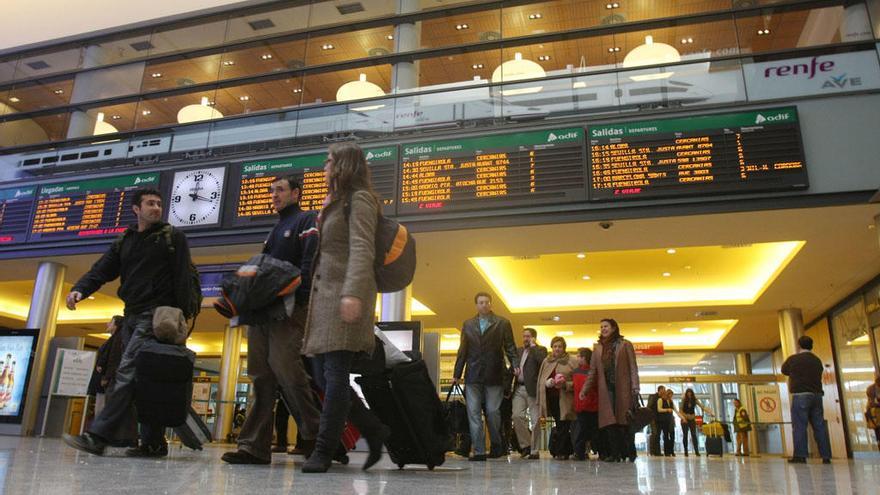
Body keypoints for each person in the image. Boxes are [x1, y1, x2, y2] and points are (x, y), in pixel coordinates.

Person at [62, 187, 197, 458]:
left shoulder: (173, 238)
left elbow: (184, 277)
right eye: (150, 203)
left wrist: (182, 316)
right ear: (136, 209)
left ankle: (98, 436)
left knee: (126, 373)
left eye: (159, 204)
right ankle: (153, 442)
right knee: (147, 378)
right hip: (132, 315)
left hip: (158, 316)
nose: (156, 208)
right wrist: (80, 289)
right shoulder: (125, 240)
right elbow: (102, 269)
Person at [299, 142, 390, 473]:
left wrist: (353, 294)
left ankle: (323, 450)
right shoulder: (335, 202)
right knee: (324, 377)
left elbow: (362, 249)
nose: (324, 168)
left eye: (328, 162)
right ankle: (374, 429)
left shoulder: (360, 200)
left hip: (345, 296)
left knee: (335, 375)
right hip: (326, 300)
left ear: (344, 166)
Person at [222, 174, 321, 465]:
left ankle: (319, 437)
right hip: (263, 312)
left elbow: (309, 261)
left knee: (287, 369)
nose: (274, 195)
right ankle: (253, 447)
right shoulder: (275, 230)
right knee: (260, 376)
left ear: (296, 193)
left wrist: (301, 299)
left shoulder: (307, 220)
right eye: (271, 191)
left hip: (290, 309)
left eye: (280, 190)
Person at [452, 292, 519, 461]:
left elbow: (510, 346)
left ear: (491, 304)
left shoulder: (502, 323)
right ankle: (480, 451)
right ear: (476, 305)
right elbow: (463, 351)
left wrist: (515, 364)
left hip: (494, 373)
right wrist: (456, 374)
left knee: (493, 412)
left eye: (487, 302)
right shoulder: (467, 325)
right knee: (473, 413)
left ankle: (497, 445)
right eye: (481, 302)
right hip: (473, 374)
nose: (484, 305)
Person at [580, 318, 640, 462]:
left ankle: (629, 452)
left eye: (606, 326)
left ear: (613, 328)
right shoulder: (597, 348)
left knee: (624, 421)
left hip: (623, 388)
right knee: (610, 423)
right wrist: (585, 390)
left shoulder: (625, 344)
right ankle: (615, 454)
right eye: (601, 327)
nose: (603, 329)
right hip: (606, 390)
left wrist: (635, 387)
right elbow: (593, 371)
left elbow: (633, 367)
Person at [781, 335, 832, 464]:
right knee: (819, 426)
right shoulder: (817, 360)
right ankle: (826, 456)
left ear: (799, 345)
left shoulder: (794, 359)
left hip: (801, 395)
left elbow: (784, 370)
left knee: (799, 426)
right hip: (817, 395)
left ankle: (800, 455)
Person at [511, 327, 547, 460]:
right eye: (524, 336)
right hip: (519, 389)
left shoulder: (540, 350)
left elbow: (543, 362)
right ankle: (525, 445)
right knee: (516, 416)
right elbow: (514, 365)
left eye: (528, 336)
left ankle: (534, 450)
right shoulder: (519, 351)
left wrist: (533, 347)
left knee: (536, 419)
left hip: (533, 389)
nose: (525, 339)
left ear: (533, 338)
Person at [537, 336, 575, 460]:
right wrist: (547, 383)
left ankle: (561, 451)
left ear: (564, 348)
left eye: (560, 346)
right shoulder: (546, 361)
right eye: (555, 346)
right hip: (552, 398)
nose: (557, 349)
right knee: (559, 424)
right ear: (551, 348)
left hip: (566, 398)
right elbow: (541, 380)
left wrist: (566, 384)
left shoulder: (571, 361)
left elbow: (578, 381)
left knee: (564, 423)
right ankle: (561, 451)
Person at [87, 315, 124, 416]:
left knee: (101, 411)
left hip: (106, 382)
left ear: (116, 326)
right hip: (104, 381)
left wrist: (106, 377)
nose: (107, 324)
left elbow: (113, 359)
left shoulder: (117, 340)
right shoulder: (113, 339)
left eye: (111, 322)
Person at [571, 347, 598, 461]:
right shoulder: (577, 371)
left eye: (580, 356)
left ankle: (581, 452)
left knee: (584, 430)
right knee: (585, 430)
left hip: (587, 405)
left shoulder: (590, 372)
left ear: (585, 358)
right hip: (585, 406)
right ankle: (581, 452)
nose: (578, 358)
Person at [680, 388, 714, 456]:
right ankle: (686, 451)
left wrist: (710, 412)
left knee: (694, 435)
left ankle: (696, 451)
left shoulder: (695, 400)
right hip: (685, 419)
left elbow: (702, 406)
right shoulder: (683, 400)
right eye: (688, 393)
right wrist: (684, 417)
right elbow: (680, 410)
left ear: (692, 393)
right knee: (685, 435)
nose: (689, 394)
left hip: (692, 419)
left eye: (690, 393)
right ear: (686, 394)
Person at [647, 385, 666, 456]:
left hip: (659, 419)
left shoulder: (662, 398)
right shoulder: (653, 397)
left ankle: (657, 452)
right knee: (654, 434)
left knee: (658, 435)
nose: (664, 391)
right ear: (660, 390)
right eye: (663, 390)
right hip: (653, 418)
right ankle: (652, 451)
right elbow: (648, 407)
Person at [656, 388, 676, 456]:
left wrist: (682, 417)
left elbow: (675, 410)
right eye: (669, 395)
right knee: (666, 436)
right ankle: (667, 452)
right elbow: (659, 409)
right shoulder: (660, 400)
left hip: (671, 420)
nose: (670, 397)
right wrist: (667, 410)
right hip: (664, 421)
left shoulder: (671, 401)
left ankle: (672, 451)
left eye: (671, 395)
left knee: (672, 436)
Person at [867, 376, 880, 449]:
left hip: (875, 413)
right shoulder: (871, 390)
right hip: (875, 413)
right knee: (878, 429)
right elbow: (871, 403)